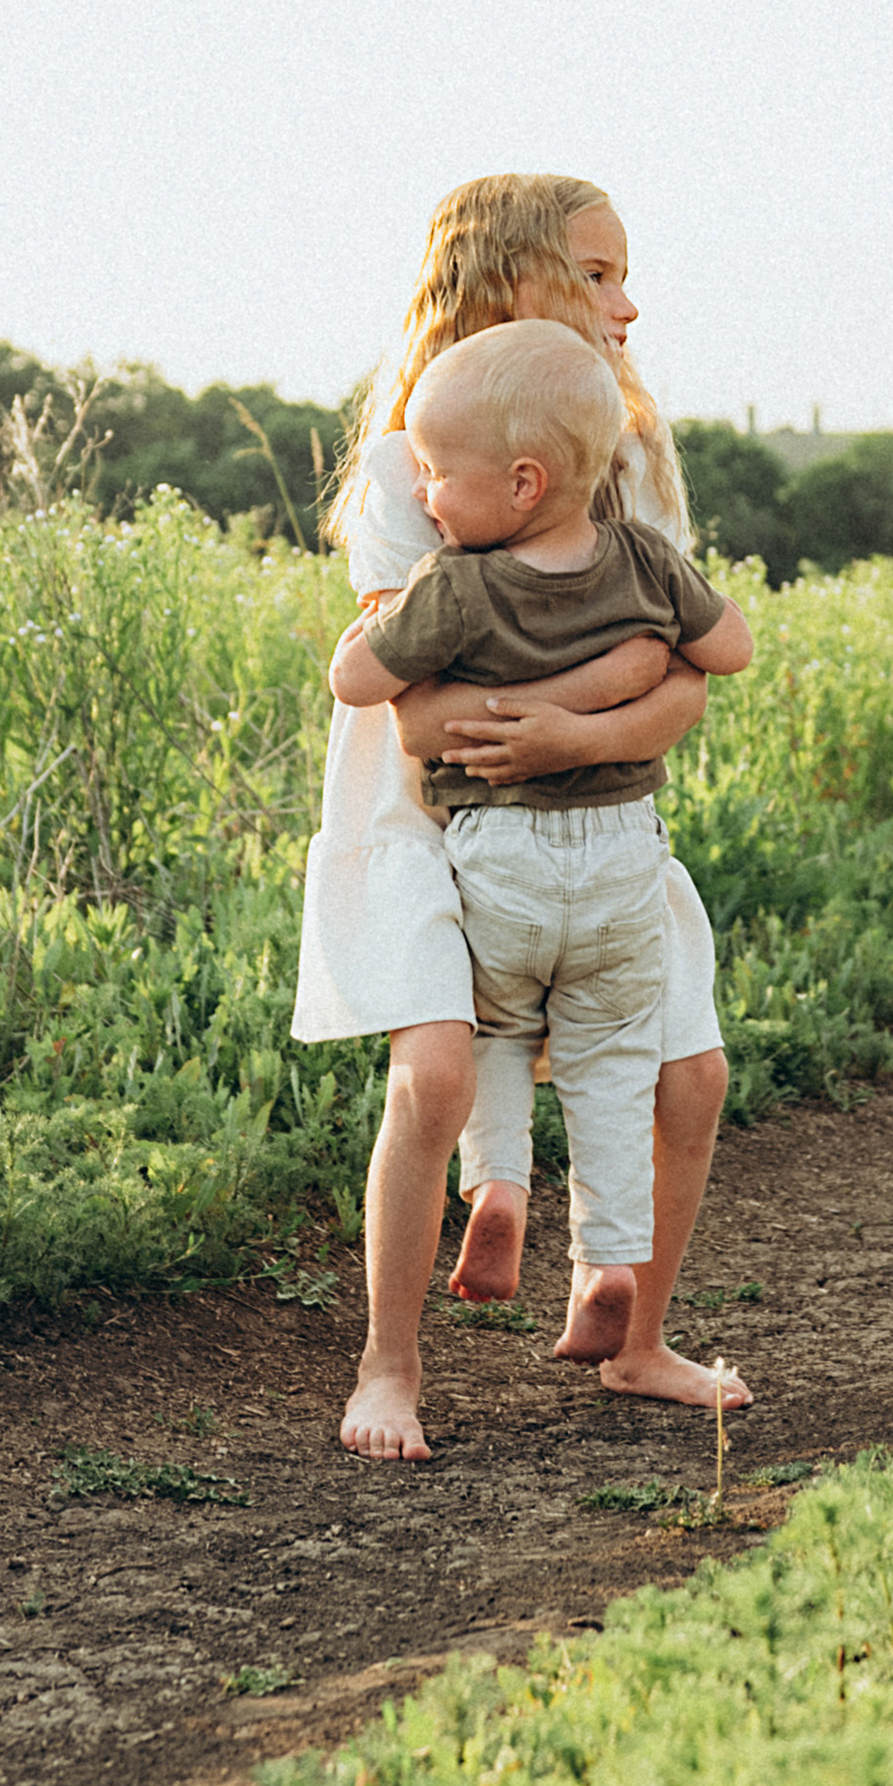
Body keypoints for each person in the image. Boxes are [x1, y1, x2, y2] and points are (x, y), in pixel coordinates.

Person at [293, 173, 745, 1463]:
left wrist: (579, 734)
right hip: (430, 822)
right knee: (436, 1070)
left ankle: (639, 1337)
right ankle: (390, 1367)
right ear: (512, 282)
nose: (627, 304)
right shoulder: (417, 468)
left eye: (625, 276)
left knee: (693, 1074)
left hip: (598, 808)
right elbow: (422, 716)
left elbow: (689, 684)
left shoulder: (625, 461)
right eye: (597, 275)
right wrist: (606, 688)